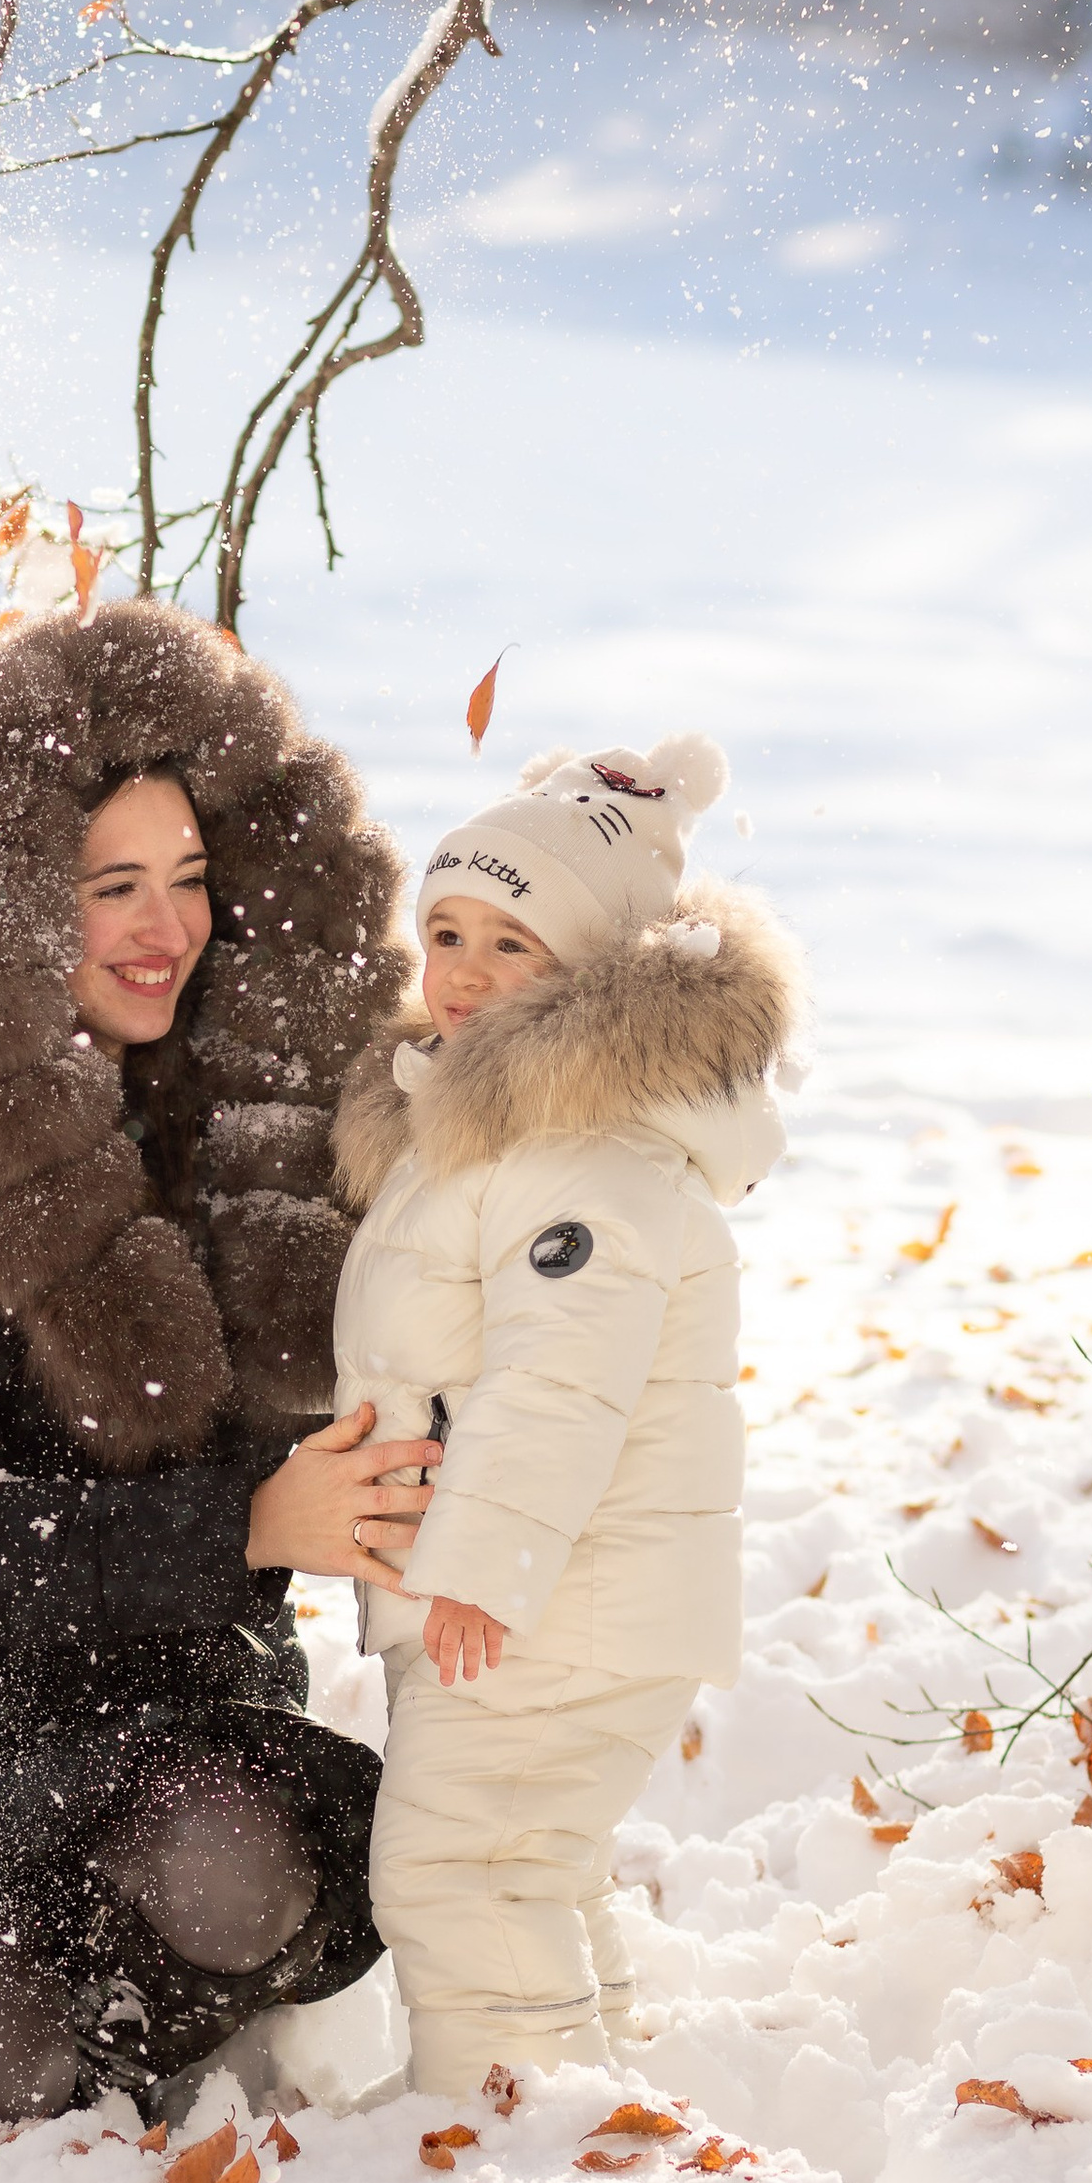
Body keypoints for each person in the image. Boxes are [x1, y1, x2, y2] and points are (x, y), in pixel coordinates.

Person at [0, 598, 433, 2121]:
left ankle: (125, 2007)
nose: (165, 927)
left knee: (237, 1873)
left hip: (168, 1714)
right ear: (18, 901)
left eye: (190, 879)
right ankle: (11, 2024)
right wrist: (237, 1525)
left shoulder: (260, 1135)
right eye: (115, 885)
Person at [330, 733, 802, 2095]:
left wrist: (481, 1561)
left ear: (590, 972)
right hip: (540, 1593)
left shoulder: (580, 1153)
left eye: (512, 944)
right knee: (530, 1856)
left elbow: (561, 1380)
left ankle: (505, 2132)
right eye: (446, 931)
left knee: (456, 1863)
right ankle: (584, 2090)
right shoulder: (495, 1133)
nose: (464, 971)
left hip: (552, 1596)